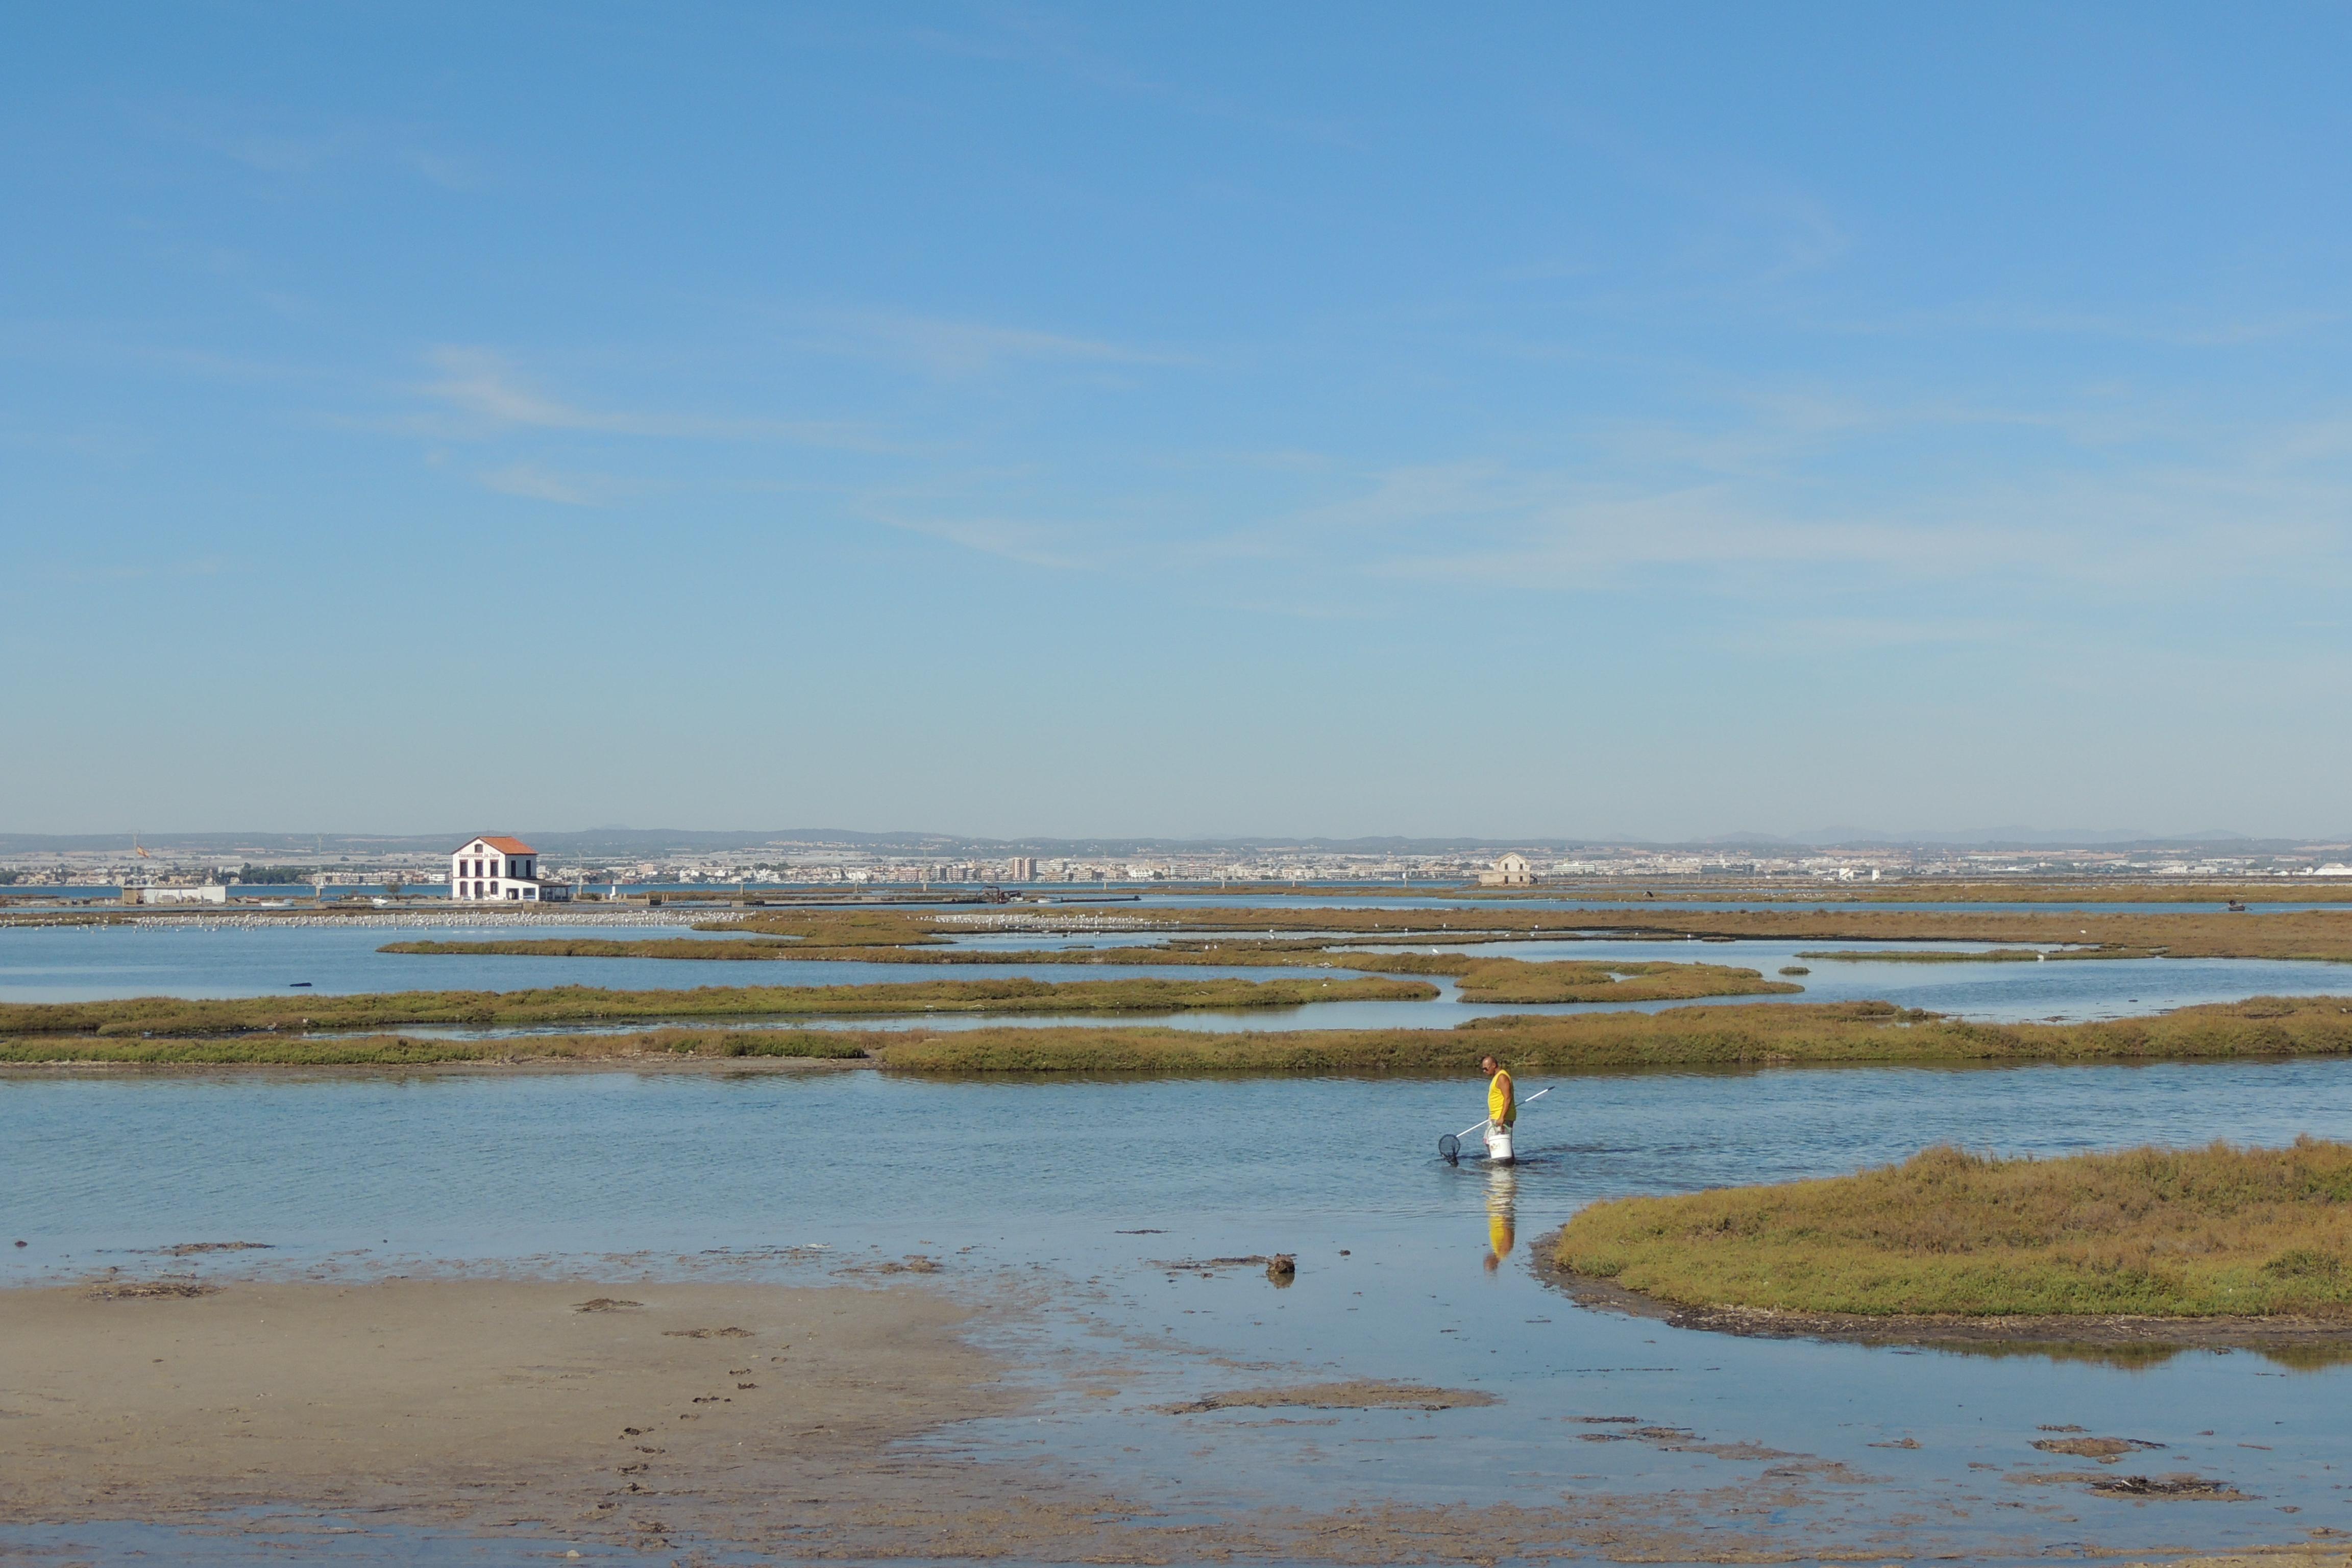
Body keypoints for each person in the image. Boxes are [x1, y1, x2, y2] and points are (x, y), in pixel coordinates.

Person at [1481, 1055, 1515, 1133]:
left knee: (1500, 1144)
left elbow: (1508, 1098)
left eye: (1486, 1069)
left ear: (1494, 1065)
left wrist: (1502, 1117)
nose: (1484, 1071)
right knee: (1488, 1142)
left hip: (1502, 1118)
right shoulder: (1497, 1077)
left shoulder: (1502, 1077)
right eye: (1483, 1069)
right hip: (1495, 1116)